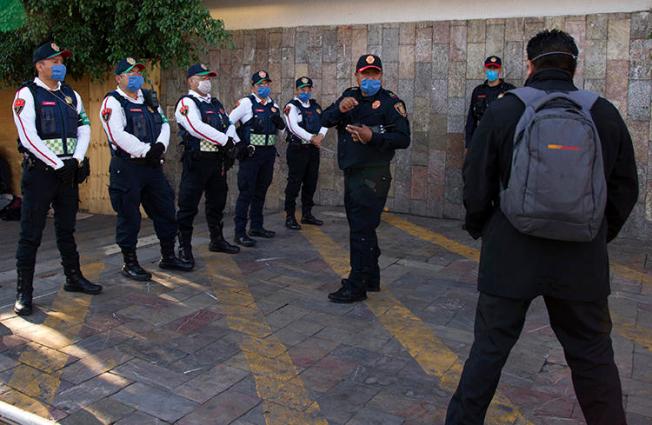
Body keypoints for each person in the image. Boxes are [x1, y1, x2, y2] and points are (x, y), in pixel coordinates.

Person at [446, 30, 638, 425]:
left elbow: (475, 183)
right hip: (581, 259)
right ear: (574, 65)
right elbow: (624, 189)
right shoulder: (602, 112)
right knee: (593, 359)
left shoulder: (504, 110)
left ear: (530, 65)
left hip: (511, 253)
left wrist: (485, 228)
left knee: (487, 353)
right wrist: (597, 233)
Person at [11, 41, 101, 316]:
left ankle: (73, 277)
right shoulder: (27, 95)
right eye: (55, 61)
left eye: (62, 61)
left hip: (67, 174)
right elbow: (28, 137)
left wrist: (76, 160)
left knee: (67, 229)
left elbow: (84, 126)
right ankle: (23, 293)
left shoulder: (71, 95)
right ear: (40, 66)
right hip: (40, 175)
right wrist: (55, 163)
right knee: (30, 234)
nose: (60, 65)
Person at [321, 54, 410, 303]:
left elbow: (404, 138)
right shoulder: (349, 97)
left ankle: (356, 285)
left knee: (361, 230)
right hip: (352, 173)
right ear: (357, 75)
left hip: (374, 176)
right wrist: (339, 108)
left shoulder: (391, 103)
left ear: (381, 75)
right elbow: (323, 120)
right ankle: (371, 276)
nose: (369, 79)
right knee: (363, 228)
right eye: (365, 74)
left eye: (374, 74)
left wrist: (373, 137)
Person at [100, 58, 192, 281]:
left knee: (165, 210)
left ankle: (168, 256)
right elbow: (117, 134)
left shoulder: (149, 98)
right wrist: (145, 150)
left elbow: (163, 124)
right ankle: (129, 263)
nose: (135, 77)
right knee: (129, 216)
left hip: (152, 166)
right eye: (130, 73)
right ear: (118, 79)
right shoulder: (112, 102)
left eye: (138, 72)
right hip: (127, 167)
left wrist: (159, 146)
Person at [175, 63, 240, 267]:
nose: (207, 82)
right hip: (197, 161)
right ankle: (184, 247)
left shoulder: (215, 103)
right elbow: (196, 127)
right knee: (188, 206)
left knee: (217, 202)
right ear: (191, 81)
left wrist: (235, 143)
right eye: (202, 78)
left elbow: (228, 124)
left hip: (217, 161)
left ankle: (217, 239)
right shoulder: (186, 102)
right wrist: (224, 141)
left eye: (208, 78)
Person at [229, 70, 286, 247]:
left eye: (267, 84)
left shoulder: (273, 105)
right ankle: (239, 232)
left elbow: (281, 131)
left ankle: (256, 226)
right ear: (253, 87)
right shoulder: (246, 103)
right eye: (260, 84)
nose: (264, 87)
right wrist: (239, 144)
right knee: (246, 192)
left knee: (261, 191)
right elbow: (228, 122)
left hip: (268, 153)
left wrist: (280, 123)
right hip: (251, 153)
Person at [283, 76, 328, 230]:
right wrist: (311, 137)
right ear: (297, 90)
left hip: (313, 150)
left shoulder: (315, 106)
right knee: (294, 183)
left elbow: (324, 122)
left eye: (308, 89)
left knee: (311, 182)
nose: (306, 92)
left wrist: (320, 136)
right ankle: (289, 216)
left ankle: (307, 214)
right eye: (302, 89)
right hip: (298, 150)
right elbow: (293, 127)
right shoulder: (291, 106)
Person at [464, 56, 515, 149]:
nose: (492, 70)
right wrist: (468, 145)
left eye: (495, 68)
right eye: (489, 68)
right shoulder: (478, 91)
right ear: (484, 69)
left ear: (500, 69)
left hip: (502, 139)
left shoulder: (509, 90)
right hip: (482, 138)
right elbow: (471, 120)